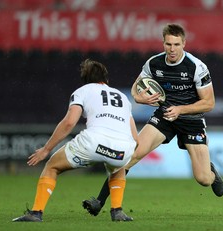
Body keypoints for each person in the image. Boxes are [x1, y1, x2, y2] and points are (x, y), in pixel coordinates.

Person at [82, 23, 223, 216]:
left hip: (192, 120)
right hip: (164, 116)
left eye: (176, 44)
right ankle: (99, 201)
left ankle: (211, 171)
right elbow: (136, 87)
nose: (172, 49)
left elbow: (209, 103)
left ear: (184, 43)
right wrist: (140, 98)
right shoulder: (154, 63)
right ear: (163, 43)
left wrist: (180, 109)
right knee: (130, 156)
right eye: (168, 44)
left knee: (203, 179)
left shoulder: (197, 67)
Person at [12, 59, 138, 222]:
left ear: (85, 79)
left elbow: (70, 122)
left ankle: (36, 213)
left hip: (93, 142)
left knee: (52, 166)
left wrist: (46, 149)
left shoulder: (83, 91)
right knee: (118, 168)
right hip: (124, 147)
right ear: (106, 78)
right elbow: (136, 137)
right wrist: (124, 155)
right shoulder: (123, 98)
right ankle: (117, 211)